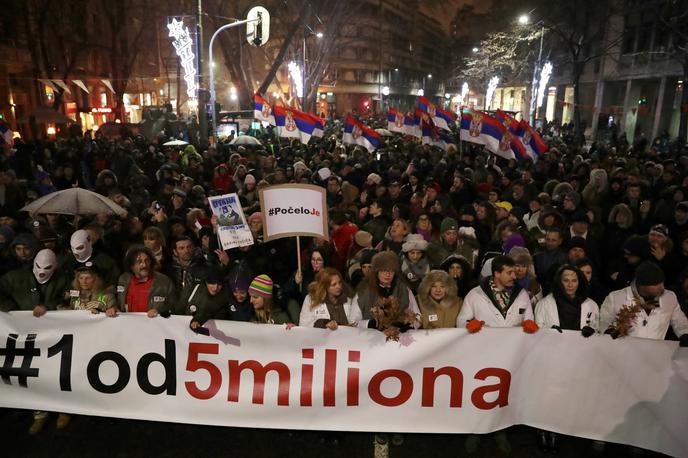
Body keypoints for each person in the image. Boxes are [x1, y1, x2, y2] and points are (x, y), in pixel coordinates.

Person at [600, 261, 688, 342]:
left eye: (661, 285)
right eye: (655, 287)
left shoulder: (669, 297)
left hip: (656, 353)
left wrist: (685, 334)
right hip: (625, 353)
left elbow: (680, 322)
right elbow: (603, 322)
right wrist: (610, 331)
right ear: (640, 285)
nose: (661, 290)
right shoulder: (615, 298)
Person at [353, 251, 421, 329]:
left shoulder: (404, 289)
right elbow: (353, 322)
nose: (387, 274)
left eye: (391, 270)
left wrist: (408, 325)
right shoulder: (363, 291)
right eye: (383, 270)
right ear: (377, 271)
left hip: (399, 336)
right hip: (372, 337)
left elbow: (418, 316)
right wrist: (370, 324)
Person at [112, 246, 176, 317]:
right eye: (139, 262)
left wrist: (159, 311)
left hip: (153, 325)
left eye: (147, 260)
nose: (144, 265)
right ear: (131, 266)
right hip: (127, 325)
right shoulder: (123, 279)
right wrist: (113, 308)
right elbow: (114, 300)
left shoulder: (164, 282)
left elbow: (174, 306)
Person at [179, 265, 230, 330]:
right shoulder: (191, 290)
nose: (215, 288)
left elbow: (209, 312)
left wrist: (197, 321)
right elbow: (178, 310)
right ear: (206, 282)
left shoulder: (224, 296)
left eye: (219, 284)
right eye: (212, 283)